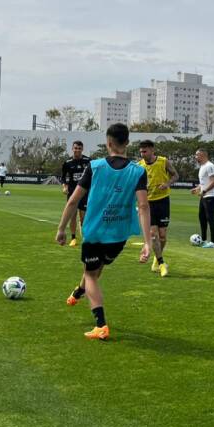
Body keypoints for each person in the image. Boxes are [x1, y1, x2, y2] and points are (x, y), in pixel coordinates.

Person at [56, 123, 151, 340]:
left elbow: (73, 200)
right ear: (127, 143)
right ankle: (79, 292)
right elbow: (144, 207)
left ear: (108, 143)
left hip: (95, 232)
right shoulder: (138, 171)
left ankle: (100, 325)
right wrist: (147, 243)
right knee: (96, 270)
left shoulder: (95, 166)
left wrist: (61, 229)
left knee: (91, 274)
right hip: (119, 235)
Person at [138, 139, 179, 277]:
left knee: (162, 236)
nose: (142, 153)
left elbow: (175, 175)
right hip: (148, 203)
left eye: (145, 151)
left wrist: (167, 183)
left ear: (152, 150)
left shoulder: (163, 161)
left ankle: (157, 256)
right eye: (141, 151)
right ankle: (161, 263)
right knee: (153, 234)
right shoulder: (139, 166)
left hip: (162, 201)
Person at [61, 141, 91, 247]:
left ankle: (86, 237)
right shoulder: (68, 162)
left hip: (85, 193)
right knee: (72, 216)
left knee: (84, 217)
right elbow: (63, 177)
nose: (77, 150)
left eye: (79, 148)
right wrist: (64, 186)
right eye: (75, 148)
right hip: (72, 193)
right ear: (72, 149)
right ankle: (73, 238)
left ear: (82, 149)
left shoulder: (88, 161)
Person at [191, 149, 214, 248]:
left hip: (211, 196)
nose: (195, 157)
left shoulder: (209, 166)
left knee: (210, 218)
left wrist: (204, 191)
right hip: (204, 196)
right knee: (202, 218)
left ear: (202, 155)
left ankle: (213, 242)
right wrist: (198, 188)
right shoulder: (202, 167)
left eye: (197, 155)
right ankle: (203, 240)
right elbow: (204, 182)